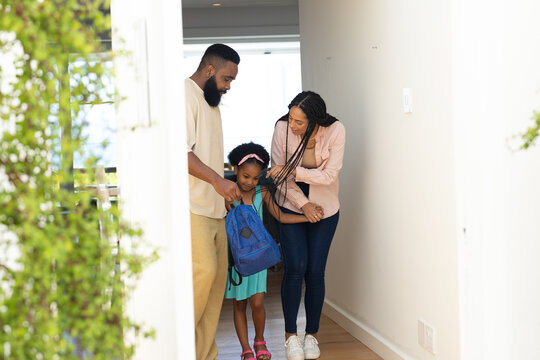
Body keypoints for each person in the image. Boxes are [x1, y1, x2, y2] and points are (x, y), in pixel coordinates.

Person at [266, 91, 346, 360]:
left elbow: (328, 175)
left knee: (315, 271)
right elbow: (278, 174)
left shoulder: (335, 130)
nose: (293, 125)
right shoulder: (281, 128)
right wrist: (303, 204)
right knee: (295, 267)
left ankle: (311, 335)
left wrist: (294, 169)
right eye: (291, 118)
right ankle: (290, 336)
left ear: (315, 121)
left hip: (326, 209)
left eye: (299, 122)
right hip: (290, 203)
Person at [225, 142, 317, 360]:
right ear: (235, 170)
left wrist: (307, 216)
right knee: (239, 303)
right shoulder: (227, 194)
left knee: (257, 302)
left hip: (259, 258)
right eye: (245, 176)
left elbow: (281, 216)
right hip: (236, 260)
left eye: (255, 178)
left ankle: (260, 341)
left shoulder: (262, 193)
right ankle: (245, 348)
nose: (250, 182)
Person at [186, 43, 242, 360]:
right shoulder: (185, 95)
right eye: (226, 78)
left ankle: (205, 355)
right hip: (192, 209)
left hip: (216, 211)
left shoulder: (213, 105)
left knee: (215, 289)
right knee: (202, 276)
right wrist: (219, 181)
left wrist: (224, 192)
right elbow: (182, 155)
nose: (228, 86)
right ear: (209, 70)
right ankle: (176, 348)